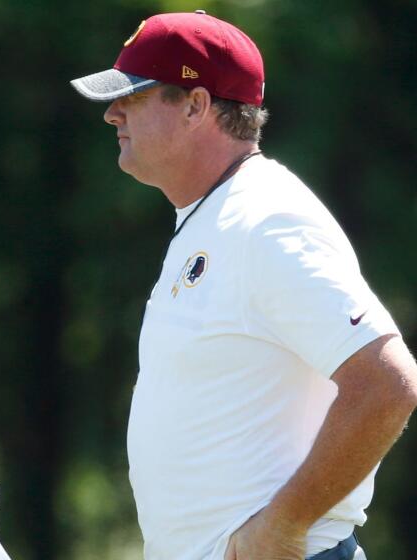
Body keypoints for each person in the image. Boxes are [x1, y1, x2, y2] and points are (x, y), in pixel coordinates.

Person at [70, 11, 417, 560]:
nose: (113, 113)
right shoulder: (217, 215)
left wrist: (283, 525)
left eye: (133, 96)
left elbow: (388, 381)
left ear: (195, 105)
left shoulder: (266, 220)